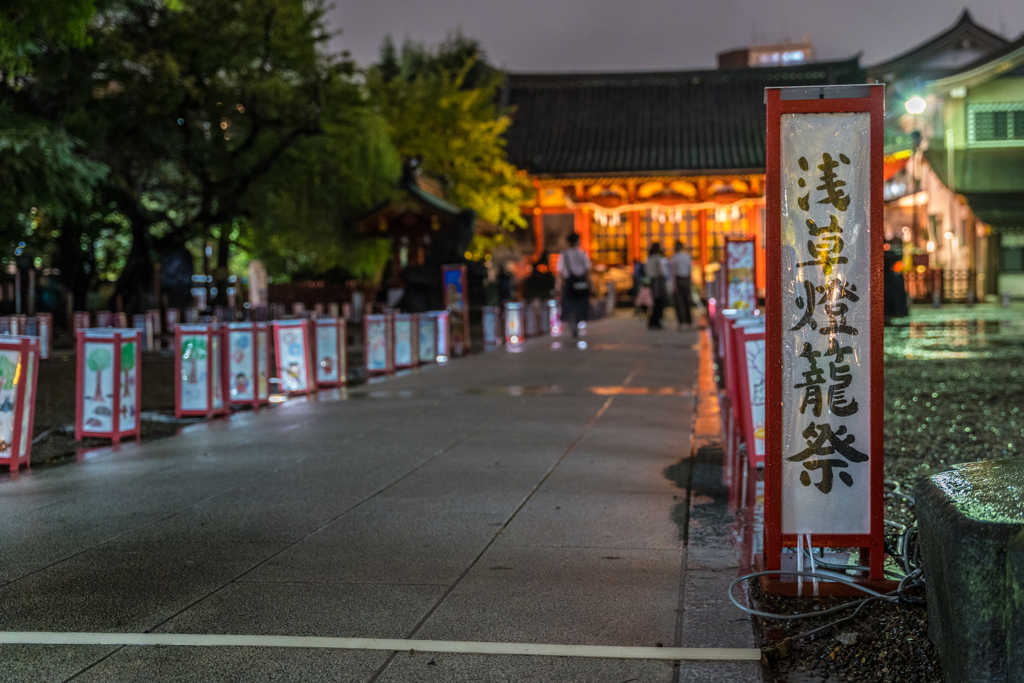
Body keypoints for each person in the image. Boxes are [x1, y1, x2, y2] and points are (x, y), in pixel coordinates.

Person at [558, 233, 592, 339]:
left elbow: (560, 271)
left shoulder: (564, 254)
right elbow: (588, 269)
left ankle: (572, 321)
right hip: (581, 282)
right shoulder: (582, 254)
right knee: (580, 304)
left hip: (569, 283)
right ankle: (577, 321)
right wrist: (590, 282)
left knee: (569, 305)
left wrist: (558, 285)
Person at [645, 243, 669, 329]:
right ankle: (656, 321)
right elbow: (663, 271)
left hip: (652, 281)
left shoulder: (649, 259)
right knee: (660, 302)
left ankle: (653, 321)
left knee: (654, 302)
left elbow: (646, 271)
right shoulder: (659, 258)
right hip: (659, 282)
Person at [669, 241, 693, 328]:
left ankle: (681, 321)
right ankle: (689, 320)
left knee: (679, 302)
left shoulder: (674, 258)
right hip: (686, 279)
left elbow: (672, 274)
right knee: (687, 301)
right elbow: (690, 270)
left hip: (678, 280)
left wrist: (673, 285)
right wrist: (690, 282)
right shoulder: (687, 257)